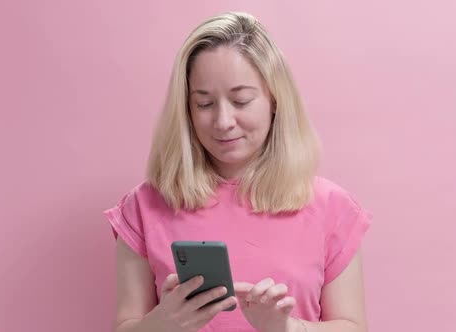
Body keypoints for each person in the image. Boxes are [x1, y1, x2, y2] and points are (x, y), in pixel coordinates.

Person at [104, 11, 372, 332]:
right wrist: (165, 323)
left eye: (241, 100)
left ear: (274, 99)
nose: (223, 121)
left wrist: (287, 328)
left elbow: (353, 327)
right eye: (204, 104)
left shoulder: (332, 207)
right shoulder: (143, 206)